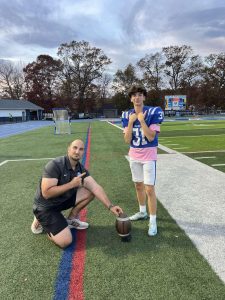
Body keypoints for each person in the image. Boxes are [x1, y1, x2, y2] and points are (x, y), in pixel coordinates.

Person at [31, 139, 123, 248]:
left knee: (90, 191)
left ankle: (70, 220)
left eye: (81, 149)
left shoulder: (80, 169)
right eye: (74, 148)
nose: (77, 151)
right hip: (45, 207)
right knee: (66, 241)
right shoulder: (55, 165)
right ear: (68, 149)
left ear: (83, 152)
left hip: (60, 202)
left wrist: (110, 206)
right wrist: (71, 185)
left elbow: (95, 187)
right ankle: (43, 222)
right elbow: (46, 193)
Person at [122, 86, 164, 236]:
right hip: (134, 155)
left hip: (148, 156)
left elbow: (151, 137)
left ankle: (153, 221)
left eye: (140, 95)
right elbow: (127, 140)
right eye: (134, 95)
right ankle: (142, 212)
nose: (137, 98)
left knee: (149, 189)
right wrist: (132, 122)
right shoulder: (127, 115)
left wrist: (142, 121)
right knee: (138, 186)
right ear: (131, 98)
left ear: (144, 97)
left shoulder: (154, 112)